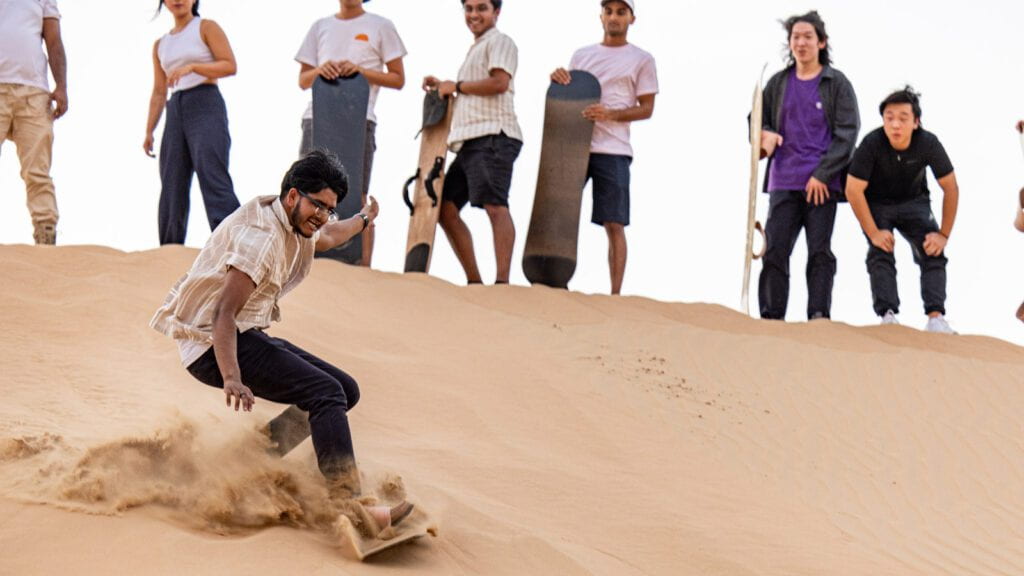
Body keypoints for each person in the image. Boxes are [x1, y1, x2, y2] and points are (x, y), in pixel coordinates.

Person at [150, 150, 411, 531]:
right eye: (316, 205)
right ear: (292, 196)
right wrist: (231, 377)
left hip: (238, 334)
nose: (321, 216)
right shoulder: (261, 240)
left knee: (344, 390)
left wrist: (364, 218)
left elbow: (328, 236)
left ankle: (257, 456)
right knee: (325, 393)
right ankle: (352, 508)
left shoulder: (296, 221)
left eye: (329, 209)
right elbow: (222, 312)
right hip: (212, 344)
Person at [757, 11, 860, 321]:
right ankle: (771, 317)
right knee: (775, 251)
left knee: (819, 252)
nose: (801, 43)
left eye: (807, 37)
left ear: (821, 42)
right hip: (783, 180)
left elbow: (848, 132)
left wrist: (822, 174)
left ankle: (818, 317)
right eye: (796, 38)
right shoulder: (777, 82)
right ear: (790, 43)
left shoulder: (836, 82)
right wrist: (764, 135)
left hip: (821, 184)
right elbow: (755, 120)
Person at [550, 0, 657, 295]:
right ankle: (555, 282)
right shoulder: (582, 55)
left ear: (631, 18)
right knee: (561, 214)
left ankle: (615, 295)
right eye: (609, 11)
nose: (614, 17)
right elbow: (569, 93)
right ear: (600, 16)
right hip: (576, 145)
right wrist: (557, 80)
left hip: (615, 149)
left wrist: (611, 114)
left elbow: (647, 108)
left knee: (615, 222)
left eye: (621, 12)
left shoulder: (641, 59)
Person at [296, 0, 407, 268]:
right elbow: (303, 80)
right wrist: (320, 71)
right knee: (306, 190)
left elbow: (398, 78)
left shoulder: (381, 25)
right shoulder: (320, 26)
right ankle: (301, 256)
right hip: (318, 115)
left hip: (359, 119)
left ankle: (362, 269)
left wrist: (361, 71)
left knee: (356, 191)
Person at [423, 0, 523, 285]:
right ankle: (475, 283)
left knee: (494, 205)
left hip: (493, 136)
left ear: (497, 12)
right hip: (468, 141)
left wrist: (456, 86)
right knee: (445, 209)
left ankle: (502, 282)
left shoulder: (501, 41)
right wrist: (446, 86)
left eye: (482, 8)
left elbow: (499, 83)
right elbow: (473, 88)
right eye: (469, 8)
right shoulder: (475, 49)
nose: (474, 14)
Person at [845, 87, 958, 334]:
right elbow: (853, 189)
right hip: (877, 203)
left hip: (914, 202)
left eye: (903, 118)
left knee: (932, 248)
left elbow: (950, 187)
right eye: (889, 118)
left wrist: (944, 234)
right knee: (880, 250)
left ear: (916, 122)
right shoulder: (872, 143)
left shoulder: (928, 143)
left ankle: (936, 318)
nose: (895, 124)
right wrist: (873, 231)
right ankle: (888, 315)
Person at [145, 0, 241, 246]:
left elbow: (229, 65)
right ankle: (168, 249)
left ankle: (233, 244)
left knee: (212, 172)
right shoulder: (160, 45)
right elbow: (158, 91)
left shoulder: (205, 27)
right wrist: (149, 131)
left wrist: (194, 67)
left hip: (205, 101)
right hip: (175, 109)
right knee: (171, 181)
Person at [0, 0, 68, 245]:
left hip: (34, 93)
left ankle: (45, 234)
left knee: (38, 171)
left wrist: (61, 86)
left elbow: (54, 41)